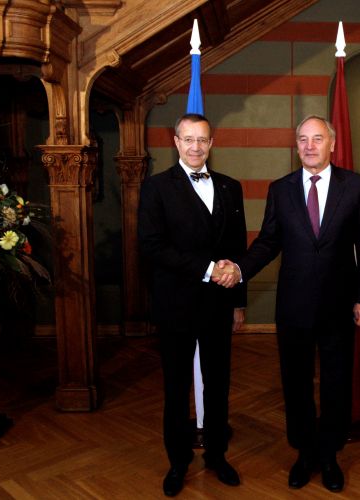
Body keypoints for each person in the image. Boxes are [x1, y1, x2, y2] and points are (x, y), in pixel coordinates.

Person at [217, 115, 360, 493]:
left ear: (332, 144)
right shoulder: (281, 189)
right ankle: (304, 453)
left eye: (317, 138)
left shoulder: (356, 187)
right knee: (296, 383)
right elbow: (268, 242)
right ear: (296, 145)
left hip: (340, 305)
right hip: (293, 307)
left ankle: (330, 455)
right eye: (303, 139)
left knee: (336, 383)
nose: (309, 146)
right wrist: (239, 269)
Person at [138, 113, 247, 497]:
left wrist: (238, 302)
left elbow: (238, 249)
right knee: (176, 387)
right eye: (188, 139)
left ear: (211, 143)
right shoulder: (156, 188)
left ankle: (217, 455)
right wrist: (206, 268)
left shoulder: (231, 187)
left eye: (202, 140)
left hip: (219, 304)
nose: (196, 147)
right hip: (176, 305)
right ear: (176, 142)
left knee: (218, 385)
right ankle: (178, 462)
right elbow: (151, 246)